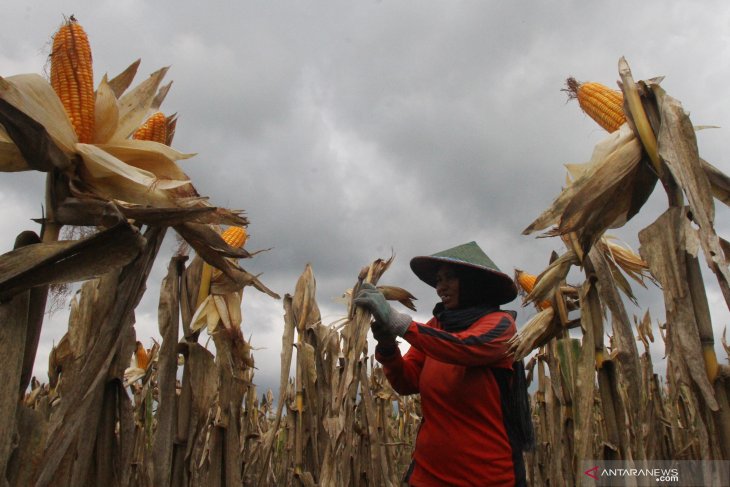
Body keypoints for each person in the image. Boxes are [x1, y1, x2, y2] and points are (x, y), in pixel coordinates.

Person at [354, 241, 533, 487]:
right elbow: (406, 381)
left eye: (449, 278)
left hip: (488, 477)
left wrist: (400, 323)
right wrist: (388, 347)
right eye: (438, 280)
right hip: (428, 476)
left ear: (473, 282)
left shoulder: (501, 325)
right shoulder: (435, 327)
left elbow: (464, 347)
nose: (440, 287)